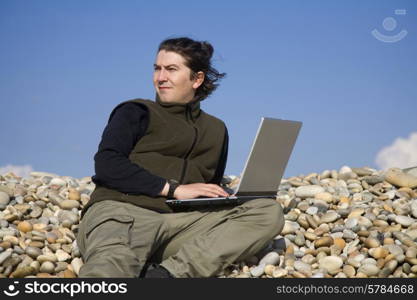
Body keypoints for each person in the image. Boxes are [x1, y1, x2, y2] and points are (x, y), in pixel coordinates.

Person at [76, 37, 284, 278]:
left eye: (171, 69)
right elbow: (107, 165)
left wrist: (227, 197)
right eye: (157, 68)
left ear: (197, 79)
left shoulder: (216, 129)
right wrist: (173, 189)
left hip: (181, 225)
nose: (160, 77)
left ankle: (167, 276)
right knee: (109, 271)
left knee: (266, 211)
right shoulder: (135, 111)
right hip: (123, 215)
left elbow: (209, 183)